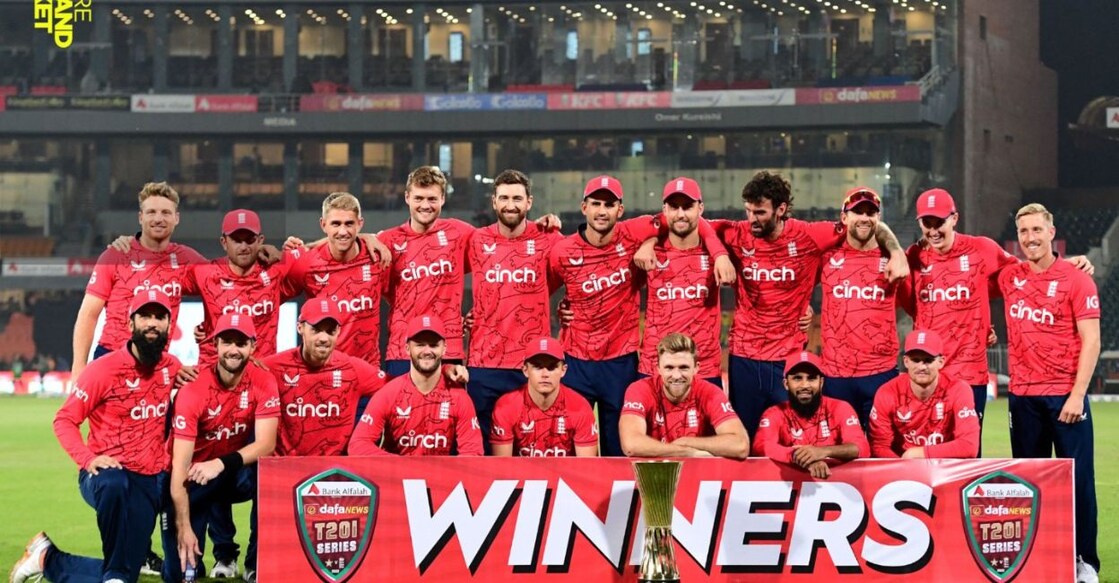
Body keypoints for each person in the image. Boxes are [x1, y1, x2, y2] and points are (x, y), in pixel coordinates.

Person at [708, 171, 908, 440]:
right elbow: (693, 222)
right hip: (744, 357)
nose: (751, 219)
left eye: (759, 212)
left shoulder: (809, 236)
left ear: (780, 209)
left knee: (796, 436)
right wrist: (720, 255)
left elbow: (866, 224)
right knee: (744, 438)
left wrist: (896, 252)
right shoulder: (736, 234)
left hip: (789, 358)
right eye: (748, 211)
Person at [550, 175, 733, 456]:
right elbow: (541, 290)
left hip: (636, 362)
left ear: (620, 210)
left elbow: (693, 223)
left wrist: (719, 253)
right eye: (596, 203)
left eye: (609, 204)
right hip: (587, 360)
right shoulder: (563, 250)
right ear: (583, 206)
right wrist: (560, 309)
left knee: (631, 453)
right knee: (574, 445)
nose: (602, 210)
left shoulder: (635, 235)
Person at [901, 189, 1092, 449]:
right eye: (927, 223)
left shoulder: (982, 249)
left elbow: (1030, 273)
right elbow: (913, 307)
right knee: (920, 451)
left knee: (964, 455)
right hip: (925, 375)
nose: (933, 230)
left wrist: (1067, 265)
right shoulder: (913, 258)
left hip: (969, 376)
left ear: (954, 218)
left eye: (940, 222)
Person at [12, 289, 180, 583]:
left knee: (124, 575)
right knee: (114, 482)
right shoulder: (103, 370)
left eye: (159, 317)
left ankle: (46, 558)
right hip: (104, 475)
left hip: (148, 480)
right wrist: (88, 459)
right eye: (145, 316)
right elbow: (64, 420)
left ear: (169, 324)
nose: (152, 323)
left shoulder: (172, 367)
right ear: (131, 324)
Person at [996, 203, 1100, 583]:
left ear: (1052, 232)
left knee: (1079, 483)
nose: (1030, 238)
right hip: (1023, 398)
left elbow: (1092, 341)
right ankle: (1038, 557)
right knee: (1029, 485)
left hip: (1064, 396)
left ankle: (1084, 561)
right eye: (1024, 232)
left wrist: (1077, 395)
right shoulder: (1009, 277)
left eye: (1037, 230)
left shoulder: (1076, 279)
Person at [161, 314, 279, 583]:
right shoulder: (193, 388)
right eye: (227, 342)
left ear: (253, 346)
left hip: (228, 473)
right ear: (215, 345)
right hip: (189, 481)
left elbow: (267, 444)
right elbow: (179, 469)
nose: (233, 350)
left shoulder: (264, 381)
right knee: (180, 576)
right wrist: (184, 526)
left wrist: (220, 464)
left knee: (268, 475)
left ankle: (256, 562)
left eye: (241, 343)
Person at [465, 170, 565, 452]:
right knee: (481, 451)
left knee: (532, 445)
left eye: (517, 198)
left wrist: (569, 307)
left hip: (530, 364)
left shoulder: (549, 239)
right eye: (505, 198)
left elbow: (582, 268)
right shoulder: (475, 240)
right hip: (483, 363)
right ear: (494, 202)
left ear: (529, 202)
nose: (511, 205)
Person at [72, 182, 206, 379]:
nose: (158, 218)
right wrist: (78, 368)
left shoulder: (187, 259)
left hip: (156, 364)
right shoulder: (116, 255)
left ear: (176, 218)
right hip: (111, 359)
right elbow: (88, 315)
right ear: (140, 217)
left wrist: (210, 327)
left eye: (166, 213)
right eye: (151, 212)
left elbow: (225, 283)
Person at [819, 188, 906, 429]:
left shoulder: (893, 260)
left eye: (871, 212)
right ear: (844, 217)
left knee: (882, 454)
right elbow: (797, 285)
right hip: (835, 375)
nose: (865, 218)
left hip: (880, 374)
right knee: (839, 452)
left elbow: (915, 304)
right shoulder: (826, 256)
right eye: (857, 212)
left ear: (879, 219)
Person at [379, 166, 476, 378]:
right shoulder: (387, 241)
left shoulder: (460, 233)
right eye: (419, 198)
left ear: (442, 198)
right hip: (402, 350)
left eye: (432, 199)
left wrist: (538, 227)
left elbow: (502, 246)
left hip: (447, 349)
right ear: (407, 197)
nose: (425, 205)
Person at [263, 299, 388, 457]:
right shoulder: (273, 367)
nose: (324, 338)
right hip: (283, 471)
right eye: (316, 330)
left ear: (338, 332)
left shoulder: (353, 368)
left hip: (333, 473)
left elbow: (399, 389)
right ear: (299, 327)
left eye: (330, 331)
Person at [349, 315, 484, 456]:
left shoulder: (458, 397)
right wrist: (402, 467)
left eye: (433, 345)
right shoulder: (389, 393)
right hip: (394, 476)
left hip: (439, 476)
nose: (427, 351)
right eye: (420, 344)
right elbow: (358, 444)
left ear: (444, 349)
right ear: (407, 348)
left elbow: (473, 453)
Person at [639, 177, 722, 386]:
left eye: (687, 207)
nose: (681, 214)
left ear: (700, 208)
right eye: (674, 207)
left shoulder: (718, 247)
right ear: (664, 210)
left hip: (704, 369)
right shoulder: (646, 251)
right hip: (654, 368)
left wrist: (803, 307)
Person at [618, 333, 749, 459]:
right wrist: (687, 452)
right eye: (669, 368)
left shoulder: (710, 393)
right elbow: (631, 444)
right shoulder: (640, 390)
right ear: (658, 368)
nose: (676, 376)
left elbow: (740, 445)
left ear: (696, 368)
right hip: (653, 474)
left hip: (699, 474)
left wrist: (687, 442)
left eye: (684, 367)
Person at [754, 351, 868, 478]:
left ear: (821, 382)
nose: (805, 385)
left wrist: (823, 452)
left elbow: (861, 448)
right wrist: (799, 457)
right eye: (797, 378)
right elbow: (761, 446)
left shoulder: (840, 408)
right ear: (786, 384)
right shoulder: (774, 413)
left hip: (836, 487)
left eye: (811, 378)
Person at [868, 330, 979, 458]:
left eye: (928, 360)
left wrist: (918, 453)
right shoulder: (888, 392)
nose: (922, 367)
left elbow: (969, 446)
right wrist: (902, 468)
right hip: (902, 470)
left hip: (944, 469)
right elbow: (879, 446)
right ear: (906, 361)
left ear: (941, 362)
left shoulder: (958, 390)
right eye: (916, 360)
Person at [490, 336, 598, 457]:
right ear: (525, 370)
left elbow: (586, 468)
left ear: (563, 370)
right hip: (520, 475)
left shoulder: (579, 407)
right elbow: (502, 468)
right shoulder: (506, 407)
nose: (545, 374)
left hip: (565, 475)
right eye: (537, 367)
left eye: (552, 367)